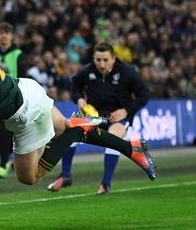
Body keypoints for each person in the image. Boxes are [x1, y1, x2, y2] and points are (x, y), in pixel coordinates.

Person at [0, 10, 156, 192]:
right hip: (27, 89)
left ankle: (76, 133)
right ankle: (131, 148)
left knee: (29, 177)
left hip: (23, 113)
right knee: (63, 127)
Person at [47, 42, 150, 195]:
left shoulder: (127, 72)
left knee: (113, 138)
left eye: (105, 60)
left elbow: (144, 94)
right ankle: (65, 175)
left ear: (113, 58)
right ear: (94, 58)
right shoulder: (88, 70)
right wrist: (79, 99)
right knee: (70, 133)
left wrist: (126, 110)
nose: (101, 64)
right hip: (94, 117)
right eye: (98, 60)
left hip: (117, 118)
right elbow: (75, 84)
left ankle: (105, 185)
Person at [0, 22, 27, 179]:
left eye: (6, 32)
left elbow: (23, 78)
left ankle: (3, 164)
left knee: (5, 131)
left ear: (11, 36)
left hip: (11, 99)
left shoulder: (18, 55)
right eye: (1, 32)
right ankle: (9, 160)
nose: (4, 35)